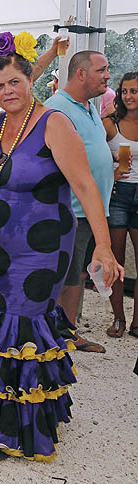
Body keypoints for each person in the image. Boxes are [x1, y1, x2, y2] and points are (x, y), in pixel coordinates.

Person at [0, 41, 122, 462]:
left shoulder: (53, 123)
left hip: (41, 249)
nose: (8, 90)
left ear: (31, 82)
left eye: (16, 82)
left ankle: (15, 429)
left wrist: (103, 244)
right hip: (0, 251)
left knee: (22, 329)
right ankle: (18, 409)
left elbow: (84, 187)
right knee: (4, 324)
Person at [44, 50, 114, 353]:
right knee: (65, 276)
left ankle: (67, 330)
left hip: (90, 210)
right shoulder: (56, 108)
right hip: (70, 209)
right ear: (81, 74)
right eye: (102, 70)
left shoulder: (87, 107)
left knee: (78, 274)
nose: (108, 76)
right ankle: (53, 335)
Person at [103, 71, 138, 338]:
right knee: (115, 262)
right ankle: (119, 319)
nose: (128, 96)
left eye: (134, 91)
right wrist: (111, 173)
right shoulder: (109, 124)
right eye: (125, 91)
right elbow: (92, 154)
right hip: (117, 194)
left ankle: (137, 322)